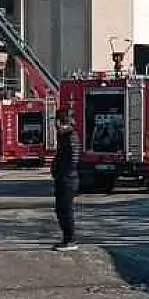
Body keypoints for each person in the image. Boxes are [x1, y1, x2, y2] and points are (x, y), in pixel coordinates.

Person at [51, 107, 81, 252]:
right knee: (61, 209)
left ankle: (70, 240)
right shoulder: (66, 135)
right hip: (65, 178)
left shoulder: (70, 135)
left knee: (65, 210)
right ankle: (67, 238)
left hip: (67, 179)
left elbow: (71, 161)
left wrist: (61, 174)